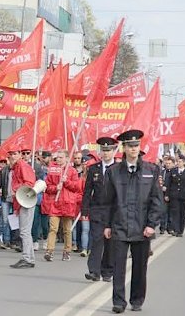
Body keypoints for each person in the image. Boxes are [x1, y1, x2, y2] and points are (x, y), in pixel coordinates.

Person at [104, 130, 162, 313]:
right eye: (130, 146)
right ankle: (118, 302)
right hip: (119, 226)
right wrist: (107, 225)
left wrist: (152, 225)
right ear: (124, 148)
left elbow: (157, 200)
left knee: (140, 268)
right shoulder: (114, 172)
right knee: (118, 268)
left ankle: (137, 300)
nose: (134, 149)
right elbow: (107, 201)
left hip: (142, 227)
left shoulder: (151, 170)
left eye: (136, 145)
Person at [82, 137, 117, 282]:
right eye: (103, 150)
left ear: (114, 151)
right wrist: (84, 210)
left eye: (109, 150)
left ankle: (107, 270)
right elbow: (87, 191)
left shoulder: (118, 169)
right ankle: (94, 271)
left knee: (110, 241)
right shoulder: (93, 169)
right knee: (96, 239)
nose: (106, 153)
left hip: (113, 210)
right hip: (97, 209)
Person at [42, 150, 81, 262]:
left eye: (61, 157)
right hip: (56, 203)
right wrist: (55, 188)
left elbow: (76, 187)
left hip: (68, 203)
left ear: (67, 158)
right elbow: (47, 187)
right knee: (53, 228)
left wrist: (66, 181)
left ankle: (67, 251)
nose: (58, 159)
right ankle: (49, 251)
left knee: (67, 230)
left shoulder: (72, 171)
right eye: (57, 157)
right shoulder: (52, 171)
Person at [7, 144, 38, 269]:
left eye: (15, 154)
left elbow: (29, 183)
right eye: (11, 154)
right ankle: (29, 258)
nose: (12, 156)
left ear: (19, 154)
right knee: (25, 232)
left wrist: (16, 189)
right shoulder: (17, 167)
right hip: (22, 201)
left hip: (25, 200)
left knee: (24, 232)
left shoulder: (22, 166)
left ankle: (27, 258)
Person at [164, 155, 185, 237]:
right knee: (175, 213)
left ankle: (180, 231)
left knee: (182, 214)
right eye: (177, 161)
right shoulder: (173, 171)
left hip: (184, 196)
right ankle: (176, 230)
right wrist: (167, 194)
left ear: (184, 162)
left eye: (180, 161)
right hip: (174, 196)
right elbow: (169, 184)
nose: (178, 163)